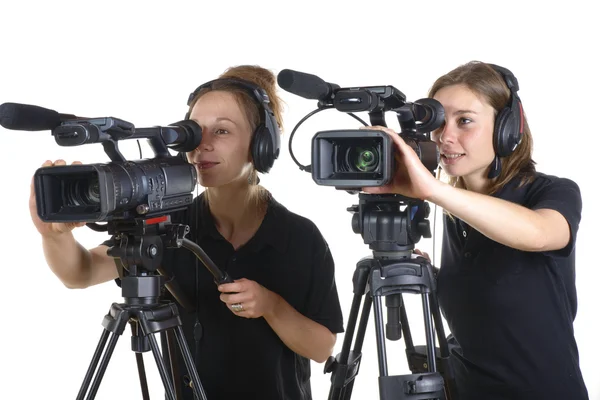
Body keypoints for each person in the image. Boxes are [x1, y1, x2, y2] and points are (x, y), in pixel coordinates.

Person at [30, 65, 345, 400]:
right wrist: (55, 236)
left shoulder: (299, 237)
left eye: (222, 132)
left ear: (262, 144)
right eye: (194, 131)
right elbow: (82, 272)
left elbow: (322, 346)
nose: (202, 145)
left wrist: (271, 306)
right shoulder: (167, 223)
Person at [361, 61, 588, 399]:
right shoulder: (454, 214)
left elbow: (541, 233)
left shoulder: (552, 192)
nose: (445, 137)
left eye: (464, 121)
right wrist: (429, 275)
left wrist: (435, 191)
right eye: (438, 122)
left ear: (506, 129)